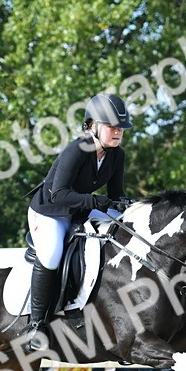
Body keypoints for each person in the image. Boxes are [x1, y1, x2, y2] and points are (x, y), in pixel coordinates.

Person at [22, 93, 134, 351]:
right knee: (52, 253)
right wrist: (95, 202)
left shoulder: (117, 155)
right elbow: (59, 194)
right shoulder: (77, 150)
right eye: (111, 126)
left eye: (121, 128)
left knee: (122, 227)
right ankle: (36, 325)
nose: (118, 132)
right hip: (49, 212)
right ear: (92, 126)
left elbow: (116, 194)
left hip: (79, 212)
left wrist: (127, 205)